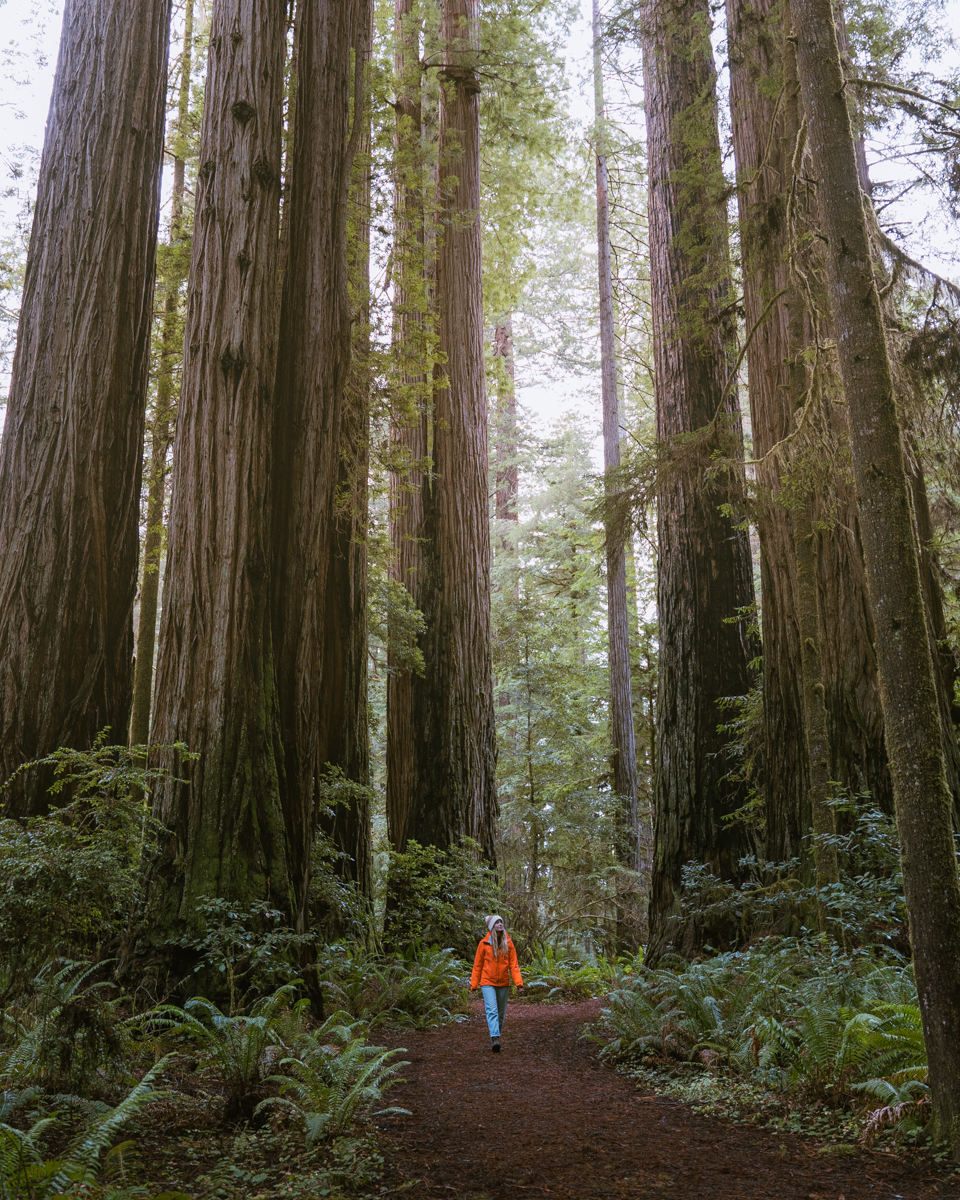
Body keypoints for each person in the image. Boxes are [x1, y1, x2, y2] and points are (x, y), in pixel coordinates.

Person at [470, 914, 523, 1052]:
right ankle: (495, 1038)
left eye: (501, 921)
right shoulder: (484, 944)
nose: (500, 924)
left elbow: (514, 965)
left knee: (500, 1013)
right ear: (492, 926)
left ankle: (496, 1035)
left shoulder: (508, 943)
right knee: (492, 1010)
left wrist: (519, 983)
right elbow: (477, 965)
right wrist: (474, 984)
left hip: (504, 983)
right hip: (487, 982)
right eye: (497, 922)